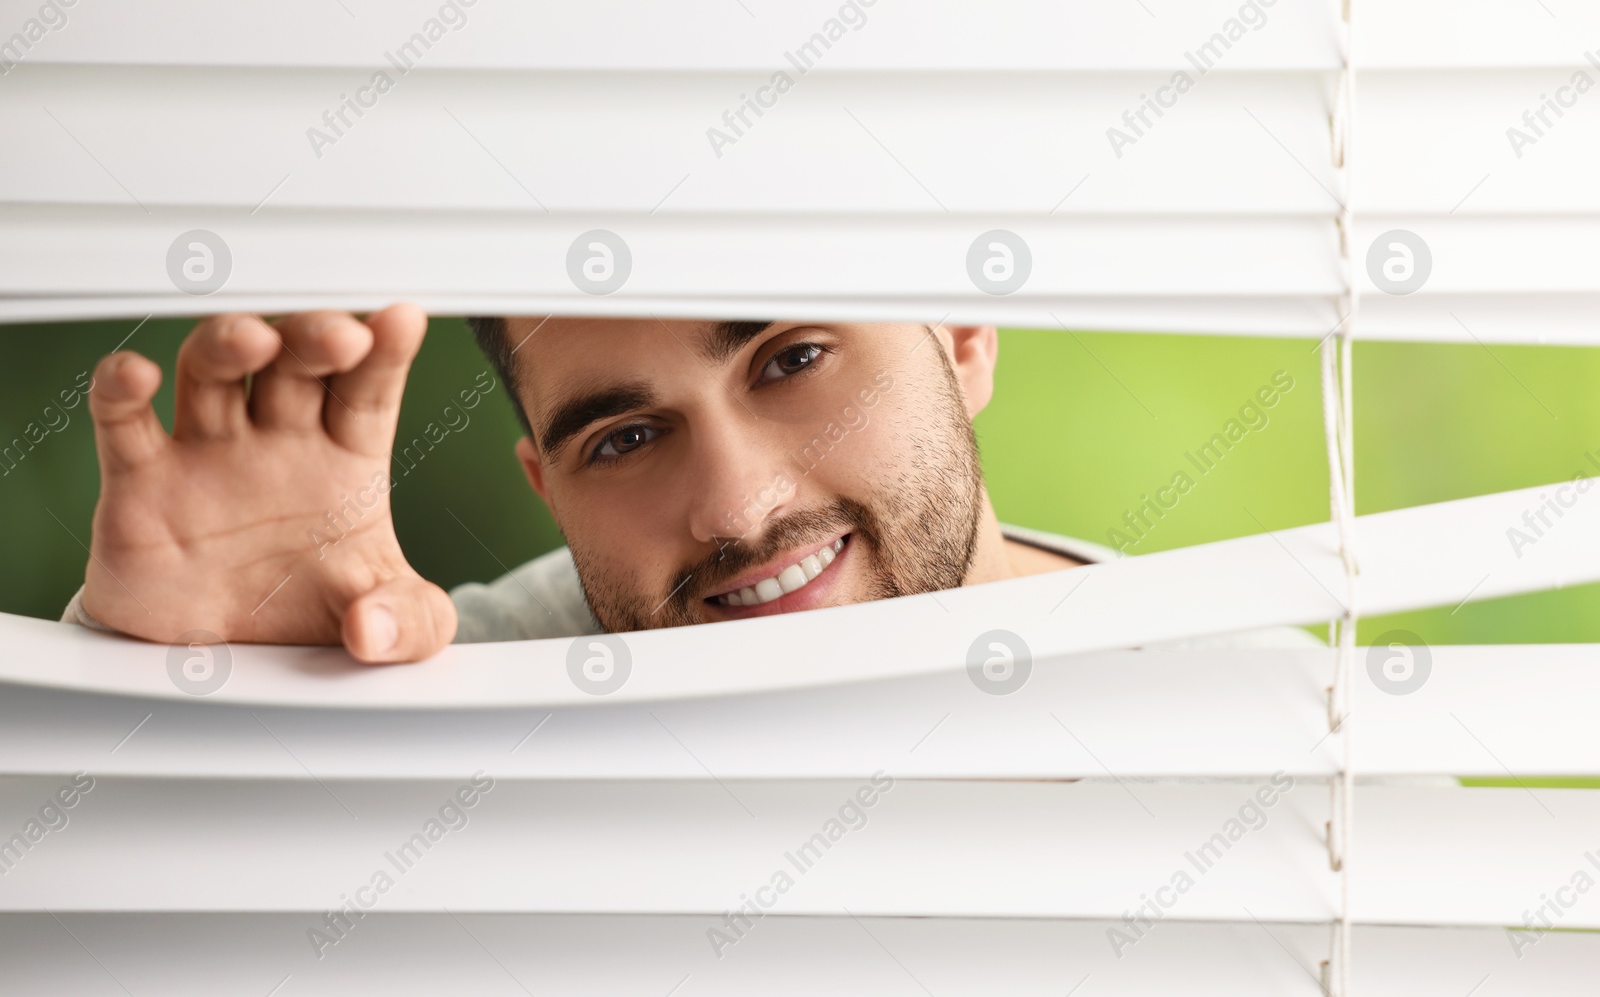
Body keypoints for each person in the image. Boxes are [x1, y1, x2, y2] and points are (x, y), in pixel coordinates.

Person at [62, 307, 1108, 663]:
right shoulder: (457, 687)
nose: (737, 509)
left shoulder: (1247, 725)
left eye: (792, 360)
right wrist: (197, 701)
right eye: (625, 436)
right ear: (545, 487)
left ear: (961, 340)